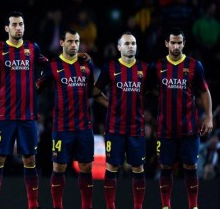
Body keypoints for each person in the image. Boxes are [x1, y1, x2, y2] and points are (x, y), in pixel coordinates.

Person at [0, 11, 49, 209]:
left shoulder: (32, 48)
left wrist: (40, 82)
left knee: (29, 158)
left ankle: (33, 204)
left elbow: (49, 67)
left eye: (21, 24)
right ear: (7, 28)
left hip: (28, 115)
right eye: (14, 24)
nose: (18, 28)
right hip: (4, 114)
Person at [149, 27, 213, 209]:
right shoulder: (158, 66)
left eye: (179, 43)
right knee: (165, 167)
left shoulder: (194, 66)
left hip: (189, 128)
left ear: (184, 44)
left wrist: (208, 117)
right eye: (173, 42)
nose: (176, 46)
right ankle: (165, 206)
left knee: (191, 166)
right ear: (166, 44)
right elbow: (149, 89)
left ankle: (193, 206)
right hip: (165, 128)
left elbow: (204, 91)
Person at [37, 28, 95, 209]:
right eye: (70, 41)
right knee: (59, 168)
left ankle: (87, 206)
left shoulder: (86, 65)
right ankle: (57, 206)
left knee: (86, 166)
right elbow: (36, 87)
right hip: (62, 126)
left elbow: (91, 91)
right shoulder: (53, 66)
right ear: (62, 43)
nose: (74, 45)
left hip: (84, 126)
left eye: (76, 41)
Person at [93, 32, 150, 209]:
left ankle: (138, 206)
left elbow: (154, 90)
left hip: (136, 128)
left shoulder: (145, 68)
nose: (131, 46)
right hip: (114, 127)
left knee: (138, 168)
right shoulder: (110, 67)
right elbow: (95, 92)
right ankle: (110, 206)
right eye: (126, 43)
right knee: (111, 167)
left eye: (133, 43)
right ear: (119, 47)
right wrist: (108, 103)